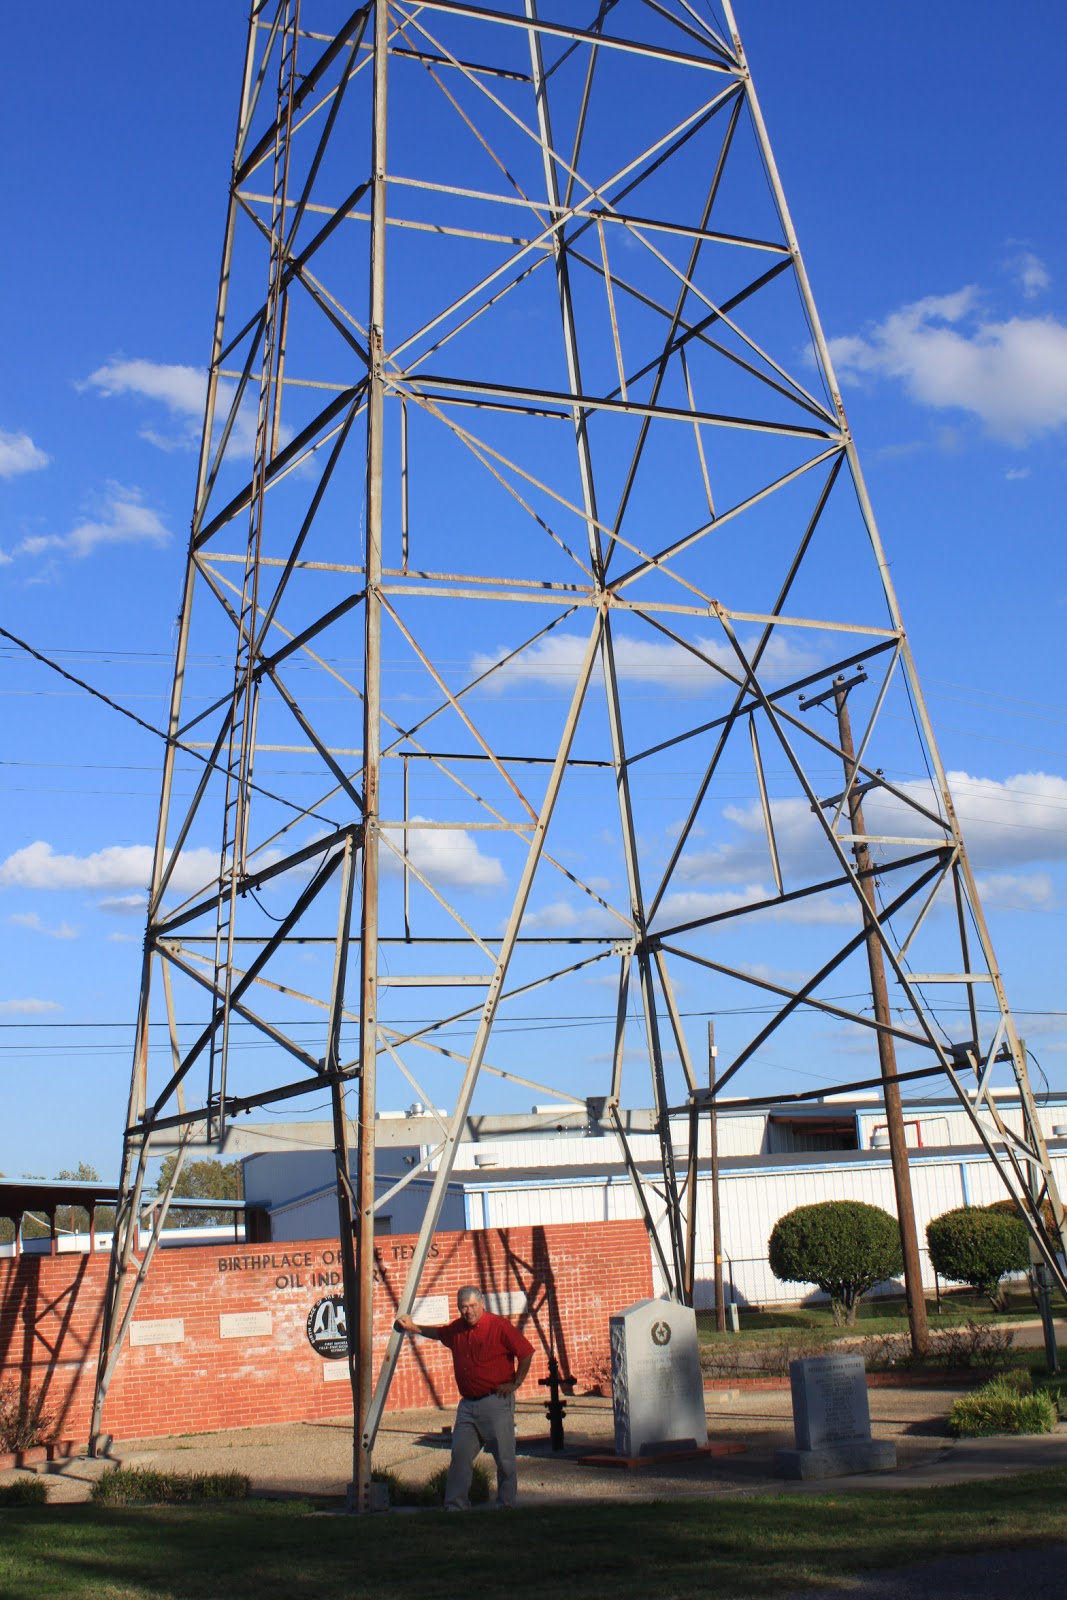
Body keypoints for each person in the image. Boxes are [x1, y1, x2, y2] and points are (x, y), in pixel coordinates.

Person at [394, 1285, 533, 1509]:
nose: (468, 1311)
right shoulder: (457, 1329)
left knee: (504, 1458)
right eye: (463, 1307)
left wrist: (516, 1382)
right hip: (468, 1405)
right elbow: (439, 1334)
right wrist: (414, 1327)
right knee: (459, 1455)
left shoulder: (498, 1326)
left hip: (495, 1401)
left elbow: (526, 1352)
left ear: (481, 1304)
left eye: (472, 1306)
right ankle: (455, 1505)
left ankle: (506, 1505)